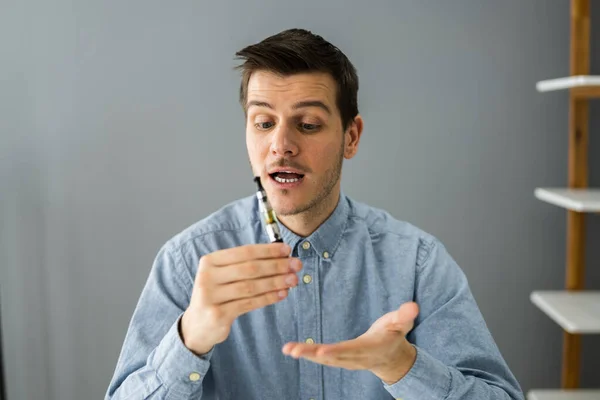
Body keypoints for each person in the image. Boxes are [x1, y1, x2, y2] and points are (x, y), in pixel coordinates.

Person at [106, 28, 524, 400]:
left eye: (306, 124)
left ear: (351, 136)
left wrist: (403, 366)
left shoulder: (418, 263)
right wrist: (189, 339)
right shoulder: (186, 263)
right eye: (263, 122)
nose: (281, 144)